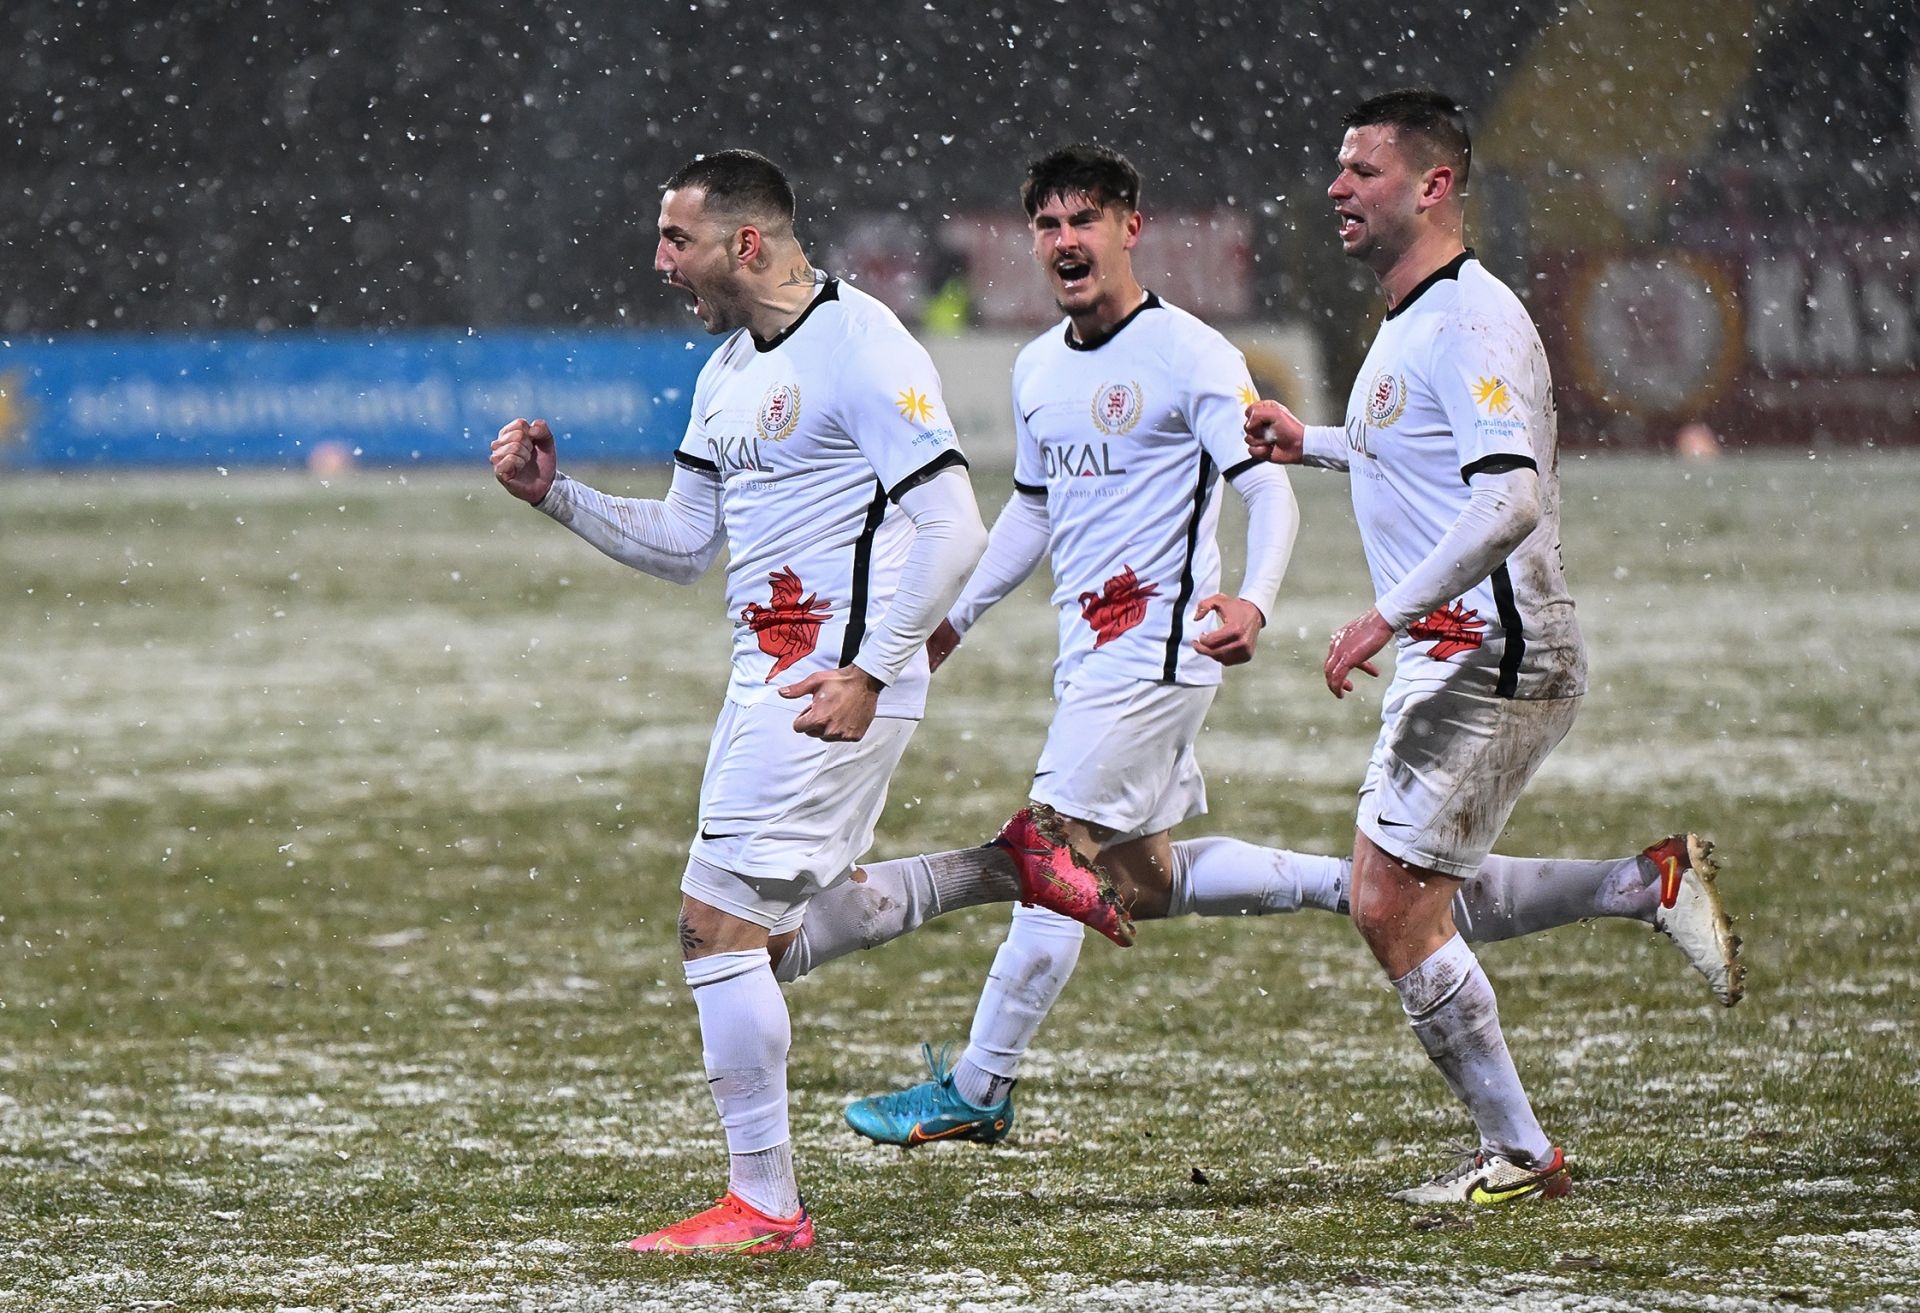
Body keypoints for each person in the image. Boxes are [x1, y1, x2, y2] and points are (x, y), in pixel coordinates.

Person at [765, 145, 1742, 1154]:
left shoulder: (1190, 353)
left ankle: (980, 1083)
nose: (1065, 241)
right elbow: (1032, 512)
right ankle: (1607, 884)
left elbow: (1266, 488)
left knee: (1053, 853)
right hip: (1089, 659)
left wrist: (1255, 601)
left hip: (1161, 653)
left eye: (1085, 219)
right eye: (1048, 224)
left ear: (1130, 226)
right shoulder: (1036, 366)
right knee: (1150, 877)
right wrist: (953, 622)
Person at [489, 149, 1129, 1256]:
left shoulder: (861, 343)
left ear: (745, 242)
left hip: (835, 684)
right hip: (770, 679)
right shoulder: (727, 371)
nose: (660, 262)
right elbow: (685, 543)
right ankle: (1006, 864)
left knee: (713, 926)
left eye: (676, 239)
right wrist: (559, 497)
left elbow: (955, 528)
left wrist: (872, 671)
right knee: (766, 940)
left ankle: (767, 1205)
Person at [1244, 89, 1741, 1205]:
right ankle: (1643, 884)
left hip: (1495, 649)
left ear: (1433, 185)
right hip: (1463, 646)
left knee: (1389, 902)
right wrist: (1309, 439)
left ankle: (1519, 1153)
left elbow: (1508, 498)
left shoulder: (1471, 317)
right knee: (1412, 893)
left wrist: (1387, 612)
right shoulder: (1414, 316)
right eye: (1339, 167)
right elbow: (1415, 450)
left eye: (1363, 170)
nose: (1337, 187)